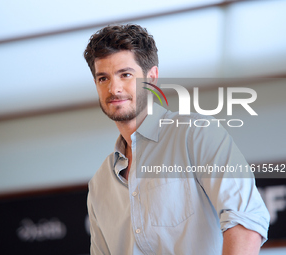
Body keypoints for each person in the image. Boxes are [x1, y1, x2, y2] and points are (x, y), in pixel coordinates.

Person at [83, 24, 269, 255]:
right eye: (103, 78)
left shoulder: (196, 134)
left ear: (151, 78)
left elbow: (246, 221)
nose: (114, 88)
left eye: (125, 74)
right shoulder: (99, 184)